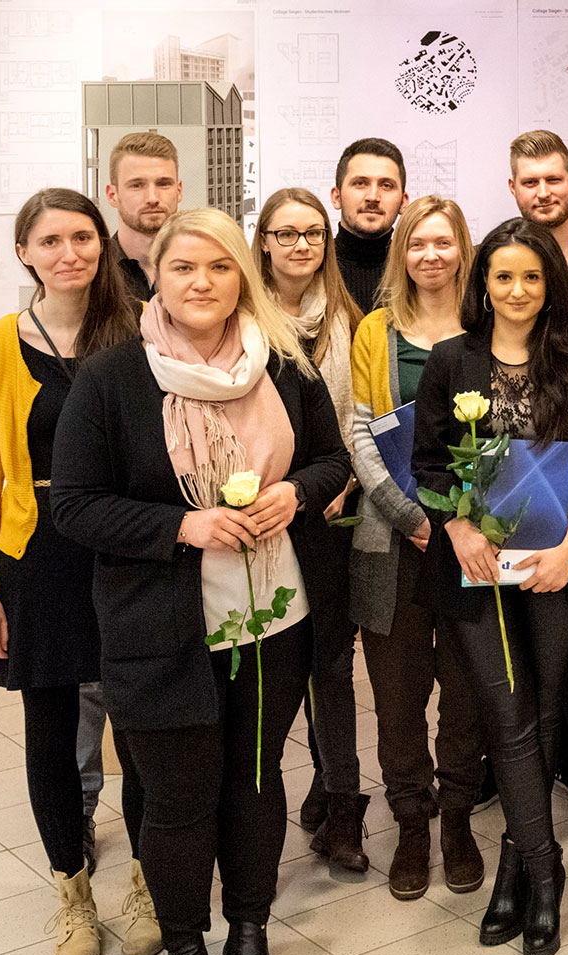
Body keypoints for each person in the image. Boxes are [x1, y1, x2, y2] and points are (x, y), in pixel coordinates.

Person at [51, 207, 349, 955]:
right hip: (160, 630)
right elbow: (74, 505)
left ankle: (248, 934)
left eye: (220, 266)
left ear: (242, 277)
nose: (202, 282)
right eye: (184, 266)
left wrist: (296, 493)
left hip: (272, 620)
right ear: (155, 274)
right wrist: (182, 526)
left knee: (255, 782)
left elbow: (332, 459)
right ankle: (185, 948)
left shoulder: (283, 365)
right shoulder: (113, 378)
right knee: (178, 798)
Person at [0, 188, 155, 955]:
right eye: (50, 241)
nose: (69, 253)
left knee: (139, 727)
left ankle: (145, 884)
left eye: (82, 237)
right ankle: (72, 893)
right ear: (25, 253)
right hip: (37, 557)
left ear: (102, 244)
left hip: (125, 548)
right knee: (49, 730)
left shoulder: (138, 329)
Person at [412, 218, 568, 955]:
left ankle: (515, 868)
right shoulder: (451, 360)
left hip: (557, 566)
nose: (518, 290)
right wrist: (459, 528)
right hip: (479, 571)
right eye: (504, 276)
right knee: (510, 716)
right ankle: (543, 869)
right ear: (484, 284)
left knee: (543, 712)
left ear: (551, 285)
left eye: (532, 276)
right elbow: (429, 462)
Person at [348, 196, 489, 900]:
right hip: (397, 539)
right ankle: (410, 819)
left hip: (472, 541)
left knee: (466, 690)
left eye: (443, 242)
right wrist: (410, 516)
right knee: (399, 696)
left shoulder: (488, 326)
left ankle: (457, 815)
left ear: (463, 249)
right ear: (401, 253)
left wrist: (466, 519)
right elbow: (358, 432)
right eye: (416, 244)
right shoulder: (373, 331)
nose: (430, 255)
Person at [253, 187, 370, 874]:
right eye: (286, 233)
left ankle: (345, 808)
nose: (302, 245)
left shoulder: (346, 319)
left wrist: (340, 481)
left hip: (330, 513)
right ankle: (309, 789)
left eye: (314, 234)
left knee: (331, 666)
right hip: (261, 521)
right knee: (281, 667)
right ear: (263, 241)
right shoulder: (243, 320)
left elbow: (358, 414)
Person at [331, 138, 410, 312]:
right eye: (360, 183)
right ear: (337, 197)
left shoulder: (418, 269)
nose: (373, 197)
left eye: (386, 185)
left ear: (403, 202)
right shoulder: (312, 266)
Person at [102, 132, 183, 301]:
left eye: (163, 184)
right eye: (137, 185)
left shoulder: (204, 269)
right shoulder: (93, 273)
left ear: (179, 191)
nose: (152, 198)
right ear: (112, 195)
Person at [509, 129, 568, 276]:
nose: (543, 194)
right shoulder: (489, 261)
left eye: (553, 180)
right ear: (513, 188)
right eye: (530, 182)